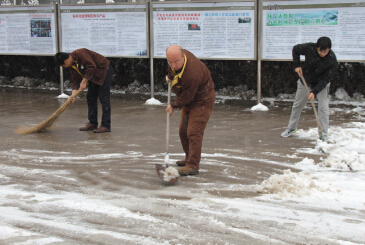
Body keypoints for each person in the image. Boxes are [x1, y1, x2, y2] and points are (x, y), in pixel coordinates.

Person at [165, 45, 215, 176]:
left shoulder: (192, 73)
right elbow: (172, 71)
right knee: (183, 131)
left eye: (176, 61)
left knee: (193, 132)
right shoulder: (175, 60)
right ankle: (188, 157)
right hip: (188, 99)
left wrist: (173, 105)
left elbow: (188, 96)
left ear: (183, 57)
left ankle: (192, 165)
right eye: (169, 62)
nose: (173, 65)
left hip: (202, 100)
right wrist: (170, 76)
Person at [281, 37, 337, 142]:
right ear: (317, 47)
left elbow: (326, 79)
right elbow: (296, 49)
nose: (322, 53)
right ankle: (291, 128)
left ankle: (323, 134)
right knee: (298, 105)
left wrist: (314, 92)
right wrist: (297, 65)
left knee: (323, 109)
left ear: (329, 49)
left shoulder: (332, 60)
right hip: (305, 81)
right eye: (320, 50)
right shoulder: (310, 48)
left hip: (320, 85)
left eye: (325, 51)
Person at [54, 49, 113, 133]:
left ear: (66, 60)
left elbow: (91, 66)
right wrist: (73, 95)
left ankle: (106, 125)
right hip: (92, 76)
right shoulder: (71, 65)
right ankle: (93, 123)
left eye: (64, 65)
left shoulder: (81, 53)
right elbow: (74, 80)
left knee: (104, 99)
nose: (65, 67)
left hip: (103, 71)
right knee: (90, 98)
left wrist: (84, 81)